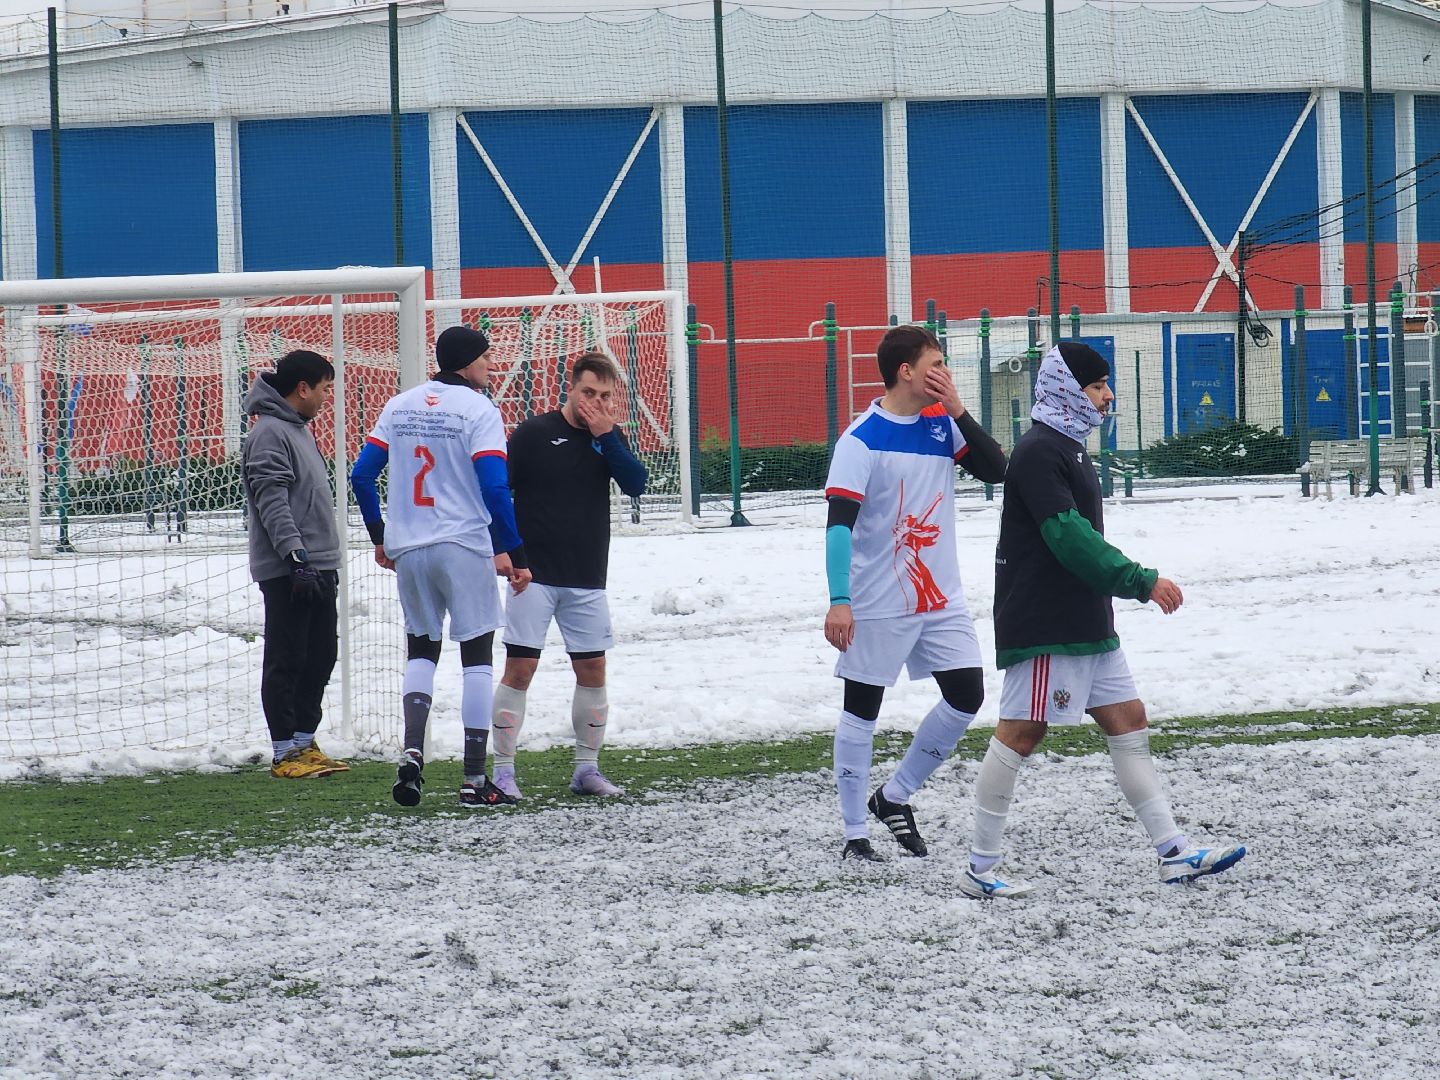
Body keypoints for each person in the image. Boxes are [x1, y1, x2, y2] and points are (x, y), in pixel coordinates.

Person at [961, 341, 1246, 898]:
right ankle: (979, 868)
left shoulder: (1068, 445)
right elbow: (1069, 539)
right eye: (1096, 386)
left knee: (1128, 722)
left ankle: (1175, 853)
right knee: (1021, 733)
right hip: (1048, 624)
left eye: (1105, 385)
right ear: (1068, 389)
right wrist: (1140, 581)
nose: (1107, 395)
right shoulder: (1040, 450)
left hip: (1085, 619)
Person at [822, 325, 1007, 862]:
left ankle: (895, 795)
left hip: (940, 599)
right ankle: (856, 832)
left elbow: (999, 470)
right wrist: (840, 599)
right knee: (862, 711)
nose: (945, 373)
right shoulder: (859, 440)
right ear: (907, 371)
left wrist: (957, 408)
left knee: (967, 693)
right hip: (878, 601)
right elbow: (838, 526)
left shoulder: (939, 426)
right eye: (937, 364)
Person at [349, 325, 532, 808]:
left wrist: (380, 534)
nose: (491, 366)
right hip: (463, 544)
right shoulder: (479, 409)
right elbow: (495, 488)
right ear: (468, 363)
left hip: (410, 547)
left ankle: (412, 752)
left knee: (420, 652)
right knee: (476, 658)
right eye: (486, 358)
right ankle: (474, 779)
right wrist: (515, 549)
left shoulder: (400, 404)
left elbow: (361, 475)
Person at [490, 352, 648, 800]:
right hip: (532, 574)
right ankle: (503, 771)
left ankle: (586, 769)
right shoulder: (533, 434)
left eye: (604, 396)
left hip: (586, 577)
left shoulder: (608, 439)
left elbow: (637, 484)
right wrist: (502, 549)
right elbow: (499, 492)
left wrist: (607, 436)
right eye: (587, 393)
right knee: (520, 669)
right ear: (570, 389)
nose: (595, 403)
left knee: (593, 670)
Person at [241, 349, 350, 779]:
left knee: (321, 655)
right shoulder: (270, 432)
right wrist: (296, 557)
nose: (327, 397)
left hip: (318, 563)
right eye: (325, 388)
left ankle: (306, 741)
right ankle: (284, 751)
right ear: (302, 388)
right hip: (291, 568)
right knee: (287, 657)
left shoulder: (298, 429)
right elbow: (272, 502)